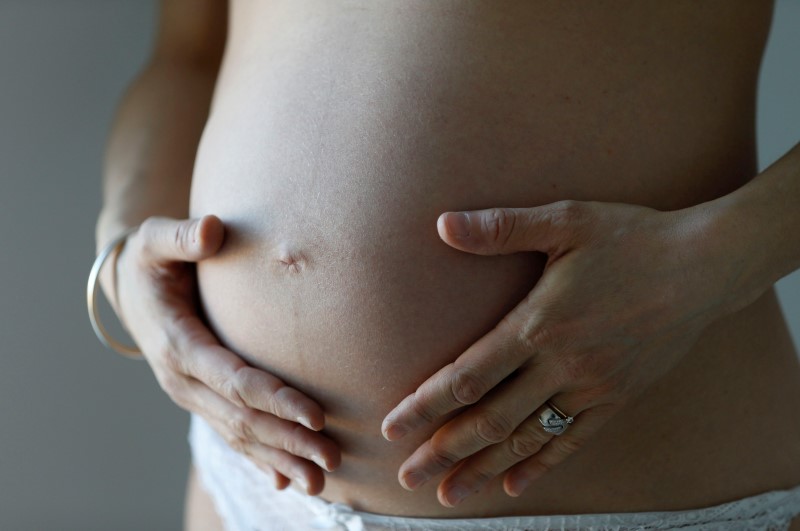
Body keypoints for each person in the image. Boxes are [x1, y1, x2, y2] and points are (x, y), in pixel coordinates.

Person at [92, 0, 800, 529]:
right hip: (247, 487)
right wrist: (122, 250)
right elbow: (188, 54)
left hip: (630, 489)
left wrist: (711, 262)